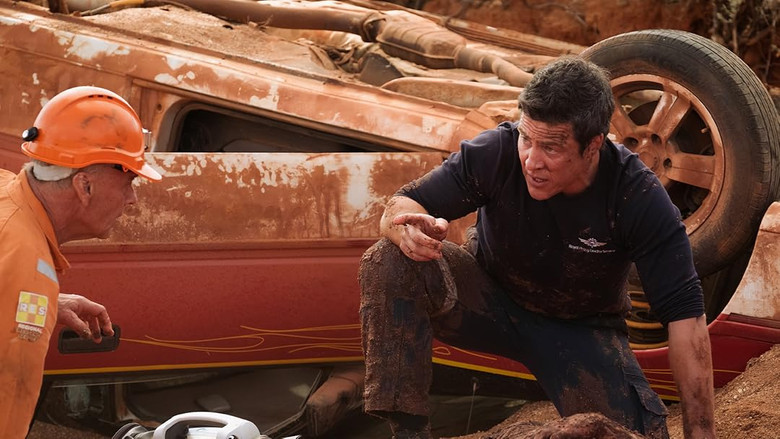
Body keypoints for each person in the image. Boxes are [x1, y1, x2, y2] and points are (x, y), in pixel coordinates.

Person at [358, 57, 715, 439]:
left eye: (551, 148)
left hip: (580, 328)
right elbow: (402, 203)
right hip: (488, 300)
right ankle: (409, 433)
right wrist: (407, 229)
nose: (532, 160)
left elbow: (686, 318)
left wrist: (701, 434)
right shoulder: (496, 152)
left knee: (629, 436)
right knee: (388, 257)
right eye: (526, 139)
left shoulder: (637, 196)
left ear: (593, 145)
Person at [0, 86, 162, 438]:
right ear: (84, 186)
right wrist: (29, 294)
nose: (132, 199)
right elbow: (6, 410)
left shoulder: (5, 191)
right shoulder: (27, 266)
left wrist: (38, 302)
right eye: (129, 181)